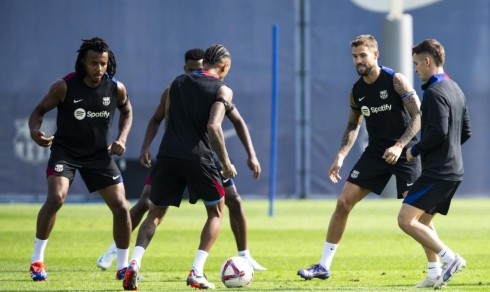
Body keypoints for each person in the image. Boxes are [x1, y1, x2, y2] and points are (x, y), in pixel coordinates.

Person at [96, 48, 266, 272]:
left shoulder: (180, 84)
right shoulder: (214, 89)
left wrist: (251, 154)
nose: (195, 72)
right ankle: (189, 269)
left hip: (174, 155)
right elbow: (204, 125)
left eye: (199, 68)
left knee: (228, 200)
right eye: (191, 69)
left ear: (205, 64)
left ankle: (134, 263)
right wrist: (227, 163)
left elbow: (237, 121)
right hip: (200, 156)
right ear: (223, 67)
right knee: (160, 204)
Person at [297, 34, 425, 281]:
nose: (358, 61)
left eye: (363, 55)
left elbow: (418, 115)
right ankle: (323, 266)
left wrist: (399, 146)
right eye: (355, 56)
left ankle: (439, 265)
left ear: (375, 55)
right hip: (376, 153)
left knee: (416, 216)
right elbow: (353, 126)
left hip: (406, 152)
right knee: (343, 203)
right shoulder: (357, 91)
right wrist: (341, 155)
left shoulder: (395, 80)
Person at [27, 37, 133, 281]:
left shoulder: (116, 88)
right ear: (83, 62)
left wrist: (122, 138)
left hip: (99, 156)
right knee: (56, 198)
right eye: (93, 63)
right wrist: (34, 132)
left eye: (103, 63)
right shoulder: (63, 87)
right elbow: (38, 112)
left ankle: (123, 266)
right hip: (66, 152)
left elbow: (127, 112)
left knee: (121, 206)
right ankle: (36, 261)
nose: (99, 69)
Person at [399, 39, 471, 289]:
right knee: (424, 222)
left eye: (417, 63)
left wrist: (414, 150)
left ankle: (451, 259)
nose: (416, 69)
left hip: (439, 171)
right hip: (452, 170)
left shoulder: (434, 92)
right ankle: (433, 274)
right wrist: (449, 150)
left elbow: (439, 131)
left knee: (406, 221)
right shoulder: (455, 88)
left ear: (428, 61)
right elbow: (466, 132)